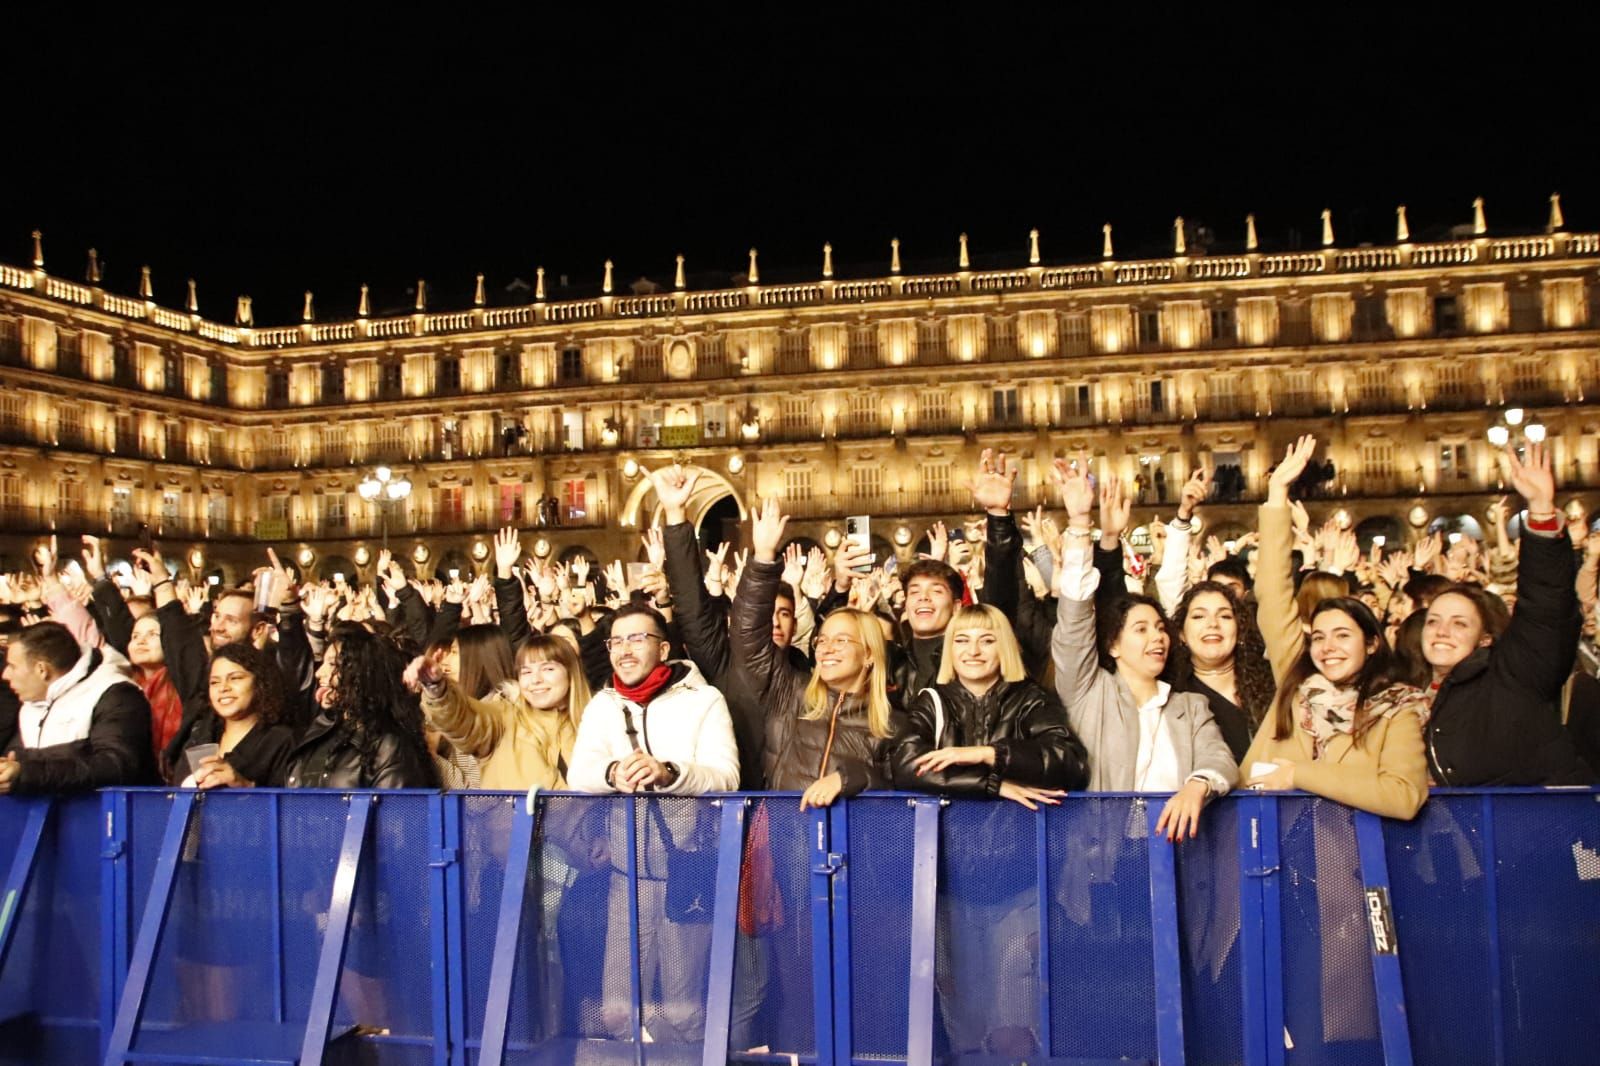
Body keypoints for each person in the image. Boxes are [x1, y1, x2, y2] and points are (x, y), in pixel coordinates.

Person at [566, 604, 739, 1044]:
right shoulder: (604, 704)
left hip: (685, 872)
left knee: (683, 1009)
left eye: (636, 638)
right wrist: (610, 774)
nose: (624, 649)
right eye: (616, 641)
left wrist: (670, 772)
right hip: (626, 878)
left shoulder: (704, 699)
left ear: (663, 648)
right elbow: (579, 773)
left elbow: (727, 775)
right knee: (617, 1010)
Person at [1242, 434, 1430, 818]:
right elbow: (1274, 595)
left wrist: (1300, 775)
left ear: (1373, 643)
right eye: (1320, 637)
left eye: (1343, 636)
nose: (1328, 647)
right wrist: (1276, 494)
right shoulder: (1296, 679)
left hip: (1347, 857)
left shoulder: (1396, 709)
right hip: (1267, 845)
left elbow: (1403, 796)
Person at [1050, 466, 1236, 841]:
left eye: (1161, 628)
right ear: (1113, 645)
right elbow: (1074, 619)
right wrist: (1081, 524)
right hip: (1102, 860)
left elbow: (1220, 759)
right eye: (1141, 629)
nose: (1158, 637)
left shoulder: (1190, 707)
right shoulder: (1089, 693)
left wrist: (1197, 785)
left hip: (1175, 854)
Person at [1414, 440, 1597, 785]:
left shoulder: (1515, 676)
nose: (1441, 631)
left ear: (1485, 637)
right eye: (1434, 621)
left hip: (1541, 829)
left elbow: (1545, 610)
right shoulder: (1412, 692)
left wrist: (1541, 511)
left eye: (1459, 624)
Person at [734, 497, 895, 806]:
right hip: (786, 842)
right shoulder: (790, 693)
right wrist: (764, 559)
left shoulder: (891, 723)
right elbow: (749, 637)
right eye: (822, 640)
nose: (827, 649)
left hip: (855, 848)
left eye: (842, 640)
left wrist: (849, 778)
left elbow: (901, 781)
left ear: (870, 653)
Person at [888, 603, 1087, 803]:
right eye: (962, 640)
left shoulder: (1032, 699)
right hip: (950, 829)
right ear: (950, 648)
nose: (973, 651)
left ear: (1004, 647)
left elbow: (1070, 762)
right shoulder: (931, 701)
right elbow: (905, 765)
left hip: (1021, 828)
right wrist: (992, 785)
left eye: (987, 641)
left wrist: (991, 754)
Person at [408, 634, 587, 789]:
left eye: (548, 669)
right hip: (511, 829)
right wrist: (438, 689)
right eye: (526, 672)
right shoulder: (503, 718)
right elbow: (466, 720)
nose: (536, 680)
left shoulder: (597, 722)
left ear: (571, 674)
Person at [0, 620, 156, 793]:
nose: (5, 674)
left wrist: (27, 772)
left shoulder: (116, 694)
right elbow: (18, 757)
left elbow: (115, 765)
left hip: (112, 816)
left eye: (13, 666)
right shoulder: (31, 703)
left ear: (42, 670)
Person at [282, 622, 438, 788]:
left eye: (333, 665)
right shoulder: (319, 730)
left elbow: (394, 811)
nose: (319, 673)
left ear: (364, 676)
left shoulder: (389, 747)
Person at [1166, 582, 1276, 762]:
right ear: (1181, 634)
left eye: (1224, 616)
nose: (1212, 624)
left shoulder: (1271, 683)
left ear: (1239, 630)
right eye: (1199, 616)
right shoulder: (1170, 694)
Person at [181, 642, 295, 790]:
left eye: (235, 678)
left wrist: (246, 786)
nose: (223, 688)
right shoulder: (200, 735)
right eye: (214, 682)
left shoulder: (281, 741)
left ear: (260, 683)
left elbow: (291, 807)